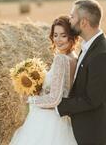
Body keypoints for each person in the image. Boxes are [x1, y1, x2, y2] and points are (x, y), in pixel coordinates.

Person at [57, 0, 106, 145]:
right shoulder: (91, 45)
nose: (69, 20)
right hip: (88, 128)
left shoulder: (102, 55)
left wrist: (58, 105)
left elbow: (91, 100)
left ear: (84, 23)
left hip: (93, 133)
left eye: (72, 16)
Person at [9, 16, 78, 145]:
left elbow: (54, 99)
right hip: (64, 118)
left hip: (49, 120)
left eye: (63, 35)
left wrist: (30, 99)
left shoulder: (61, 60)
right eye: (55, 35)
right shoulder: (74, 57)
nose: (58, 40)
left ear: (71, 36)